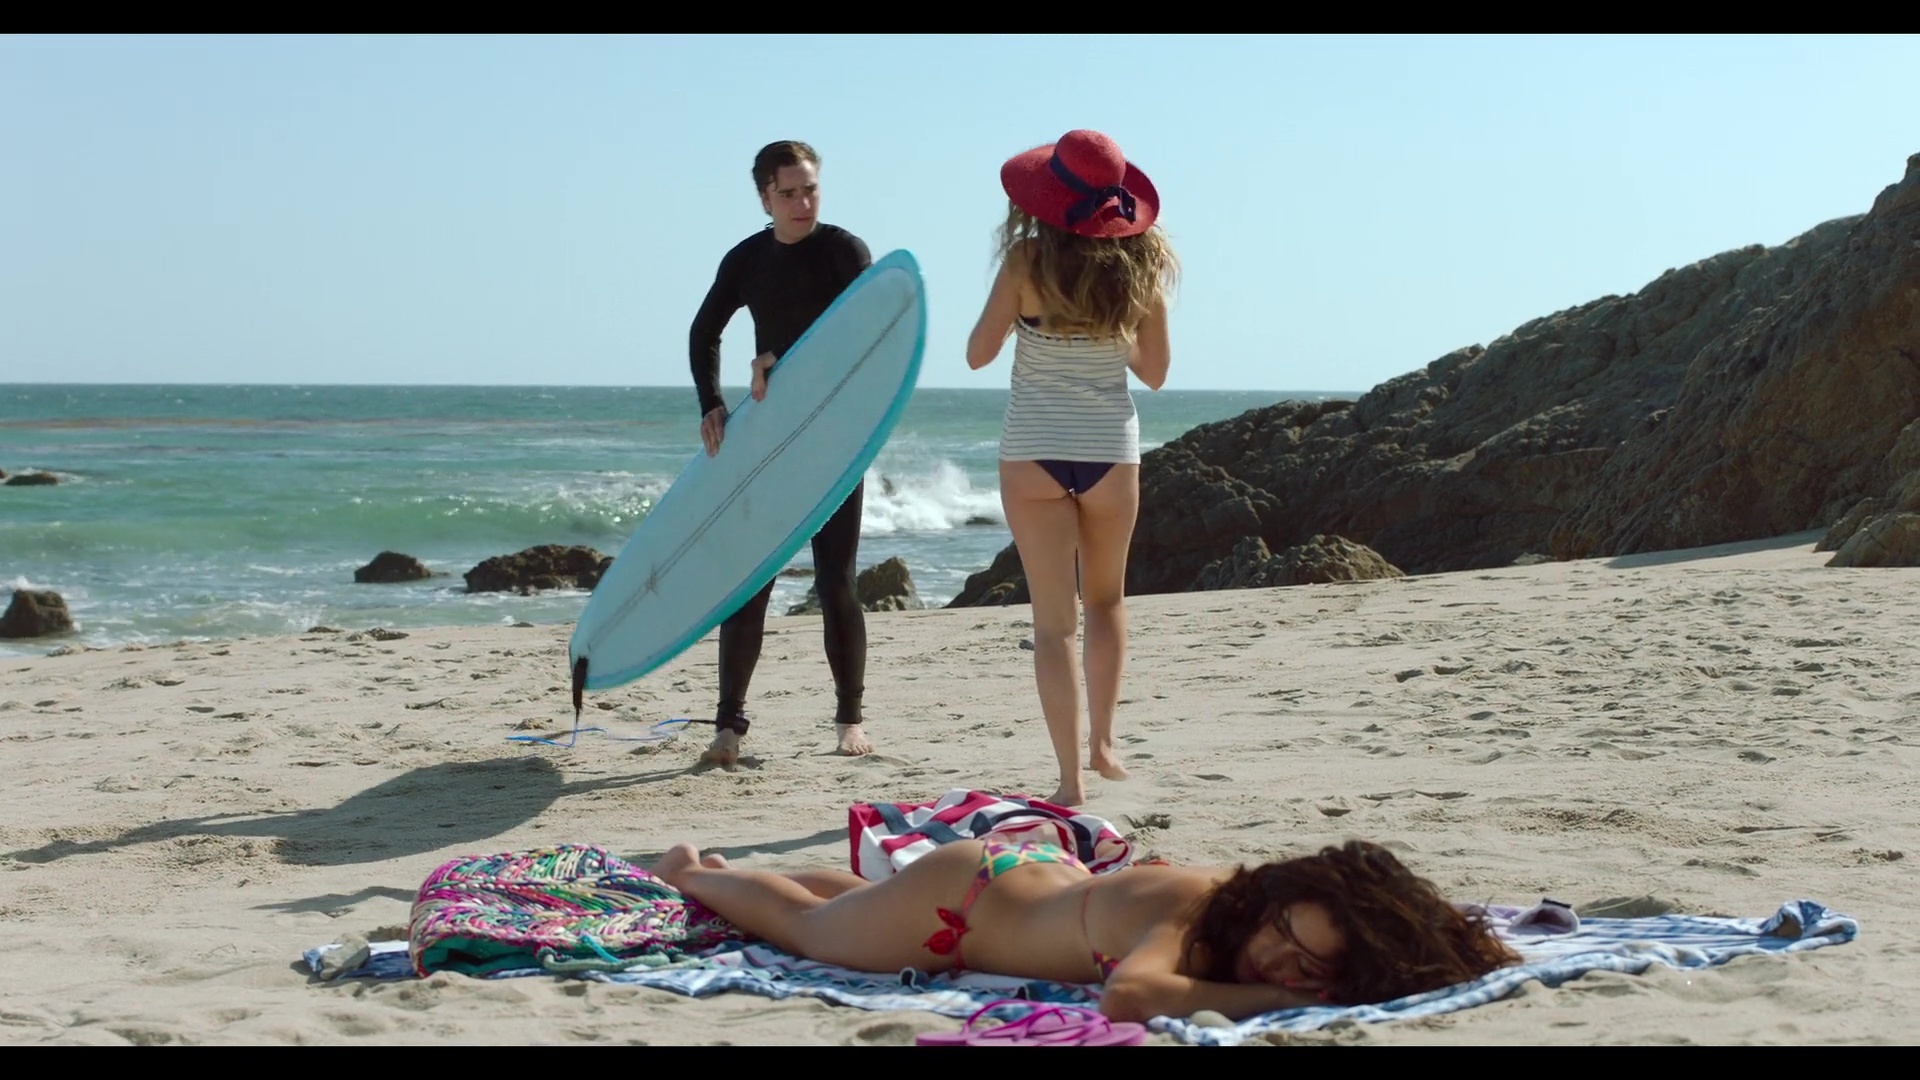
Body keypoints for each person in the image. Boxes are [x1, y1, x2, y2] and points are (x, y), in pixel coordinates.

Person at [650, 837, 1521, 1022]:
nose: (1279, 963)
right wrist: (1283, 996)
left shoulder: (1245, 912)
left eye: (1311, 966)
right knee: (808, 932)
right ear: (1275, 900)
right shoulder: (1200, 913)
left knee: (850, 909)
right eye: (1285, 936)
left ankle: (747, 877)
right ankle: (691, 870)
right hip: (961, 907)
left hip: (1016, 885)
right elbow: (1130, 997)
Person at [964, 130, 1179, 806]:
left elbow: (977, 354)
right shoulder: (1140, 268)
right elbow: (1155, 373)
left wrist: (1029, 320)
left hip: (1033, 452)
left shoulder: (1025, 262)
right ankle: (1105, 744)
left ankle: (1068, 780)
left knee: (1053, 625)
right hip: (1109, 453)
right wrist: (1109, 331)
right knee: (1107, 601)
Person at [687, 140, 874, 765]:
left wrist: (781, 362)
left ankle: (849, 720)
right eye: (788, 193)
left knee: (836, 580)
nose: (803, 203)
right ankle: (728, 726)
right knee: (752, 580)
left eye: (810, 189)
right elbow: (704, 331)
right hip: (771, 438)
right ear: (765, 198)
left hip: (835, 439)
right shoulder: (747, 259)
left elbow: (866, 336)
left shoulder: (844, 252)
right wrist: (712, 404)